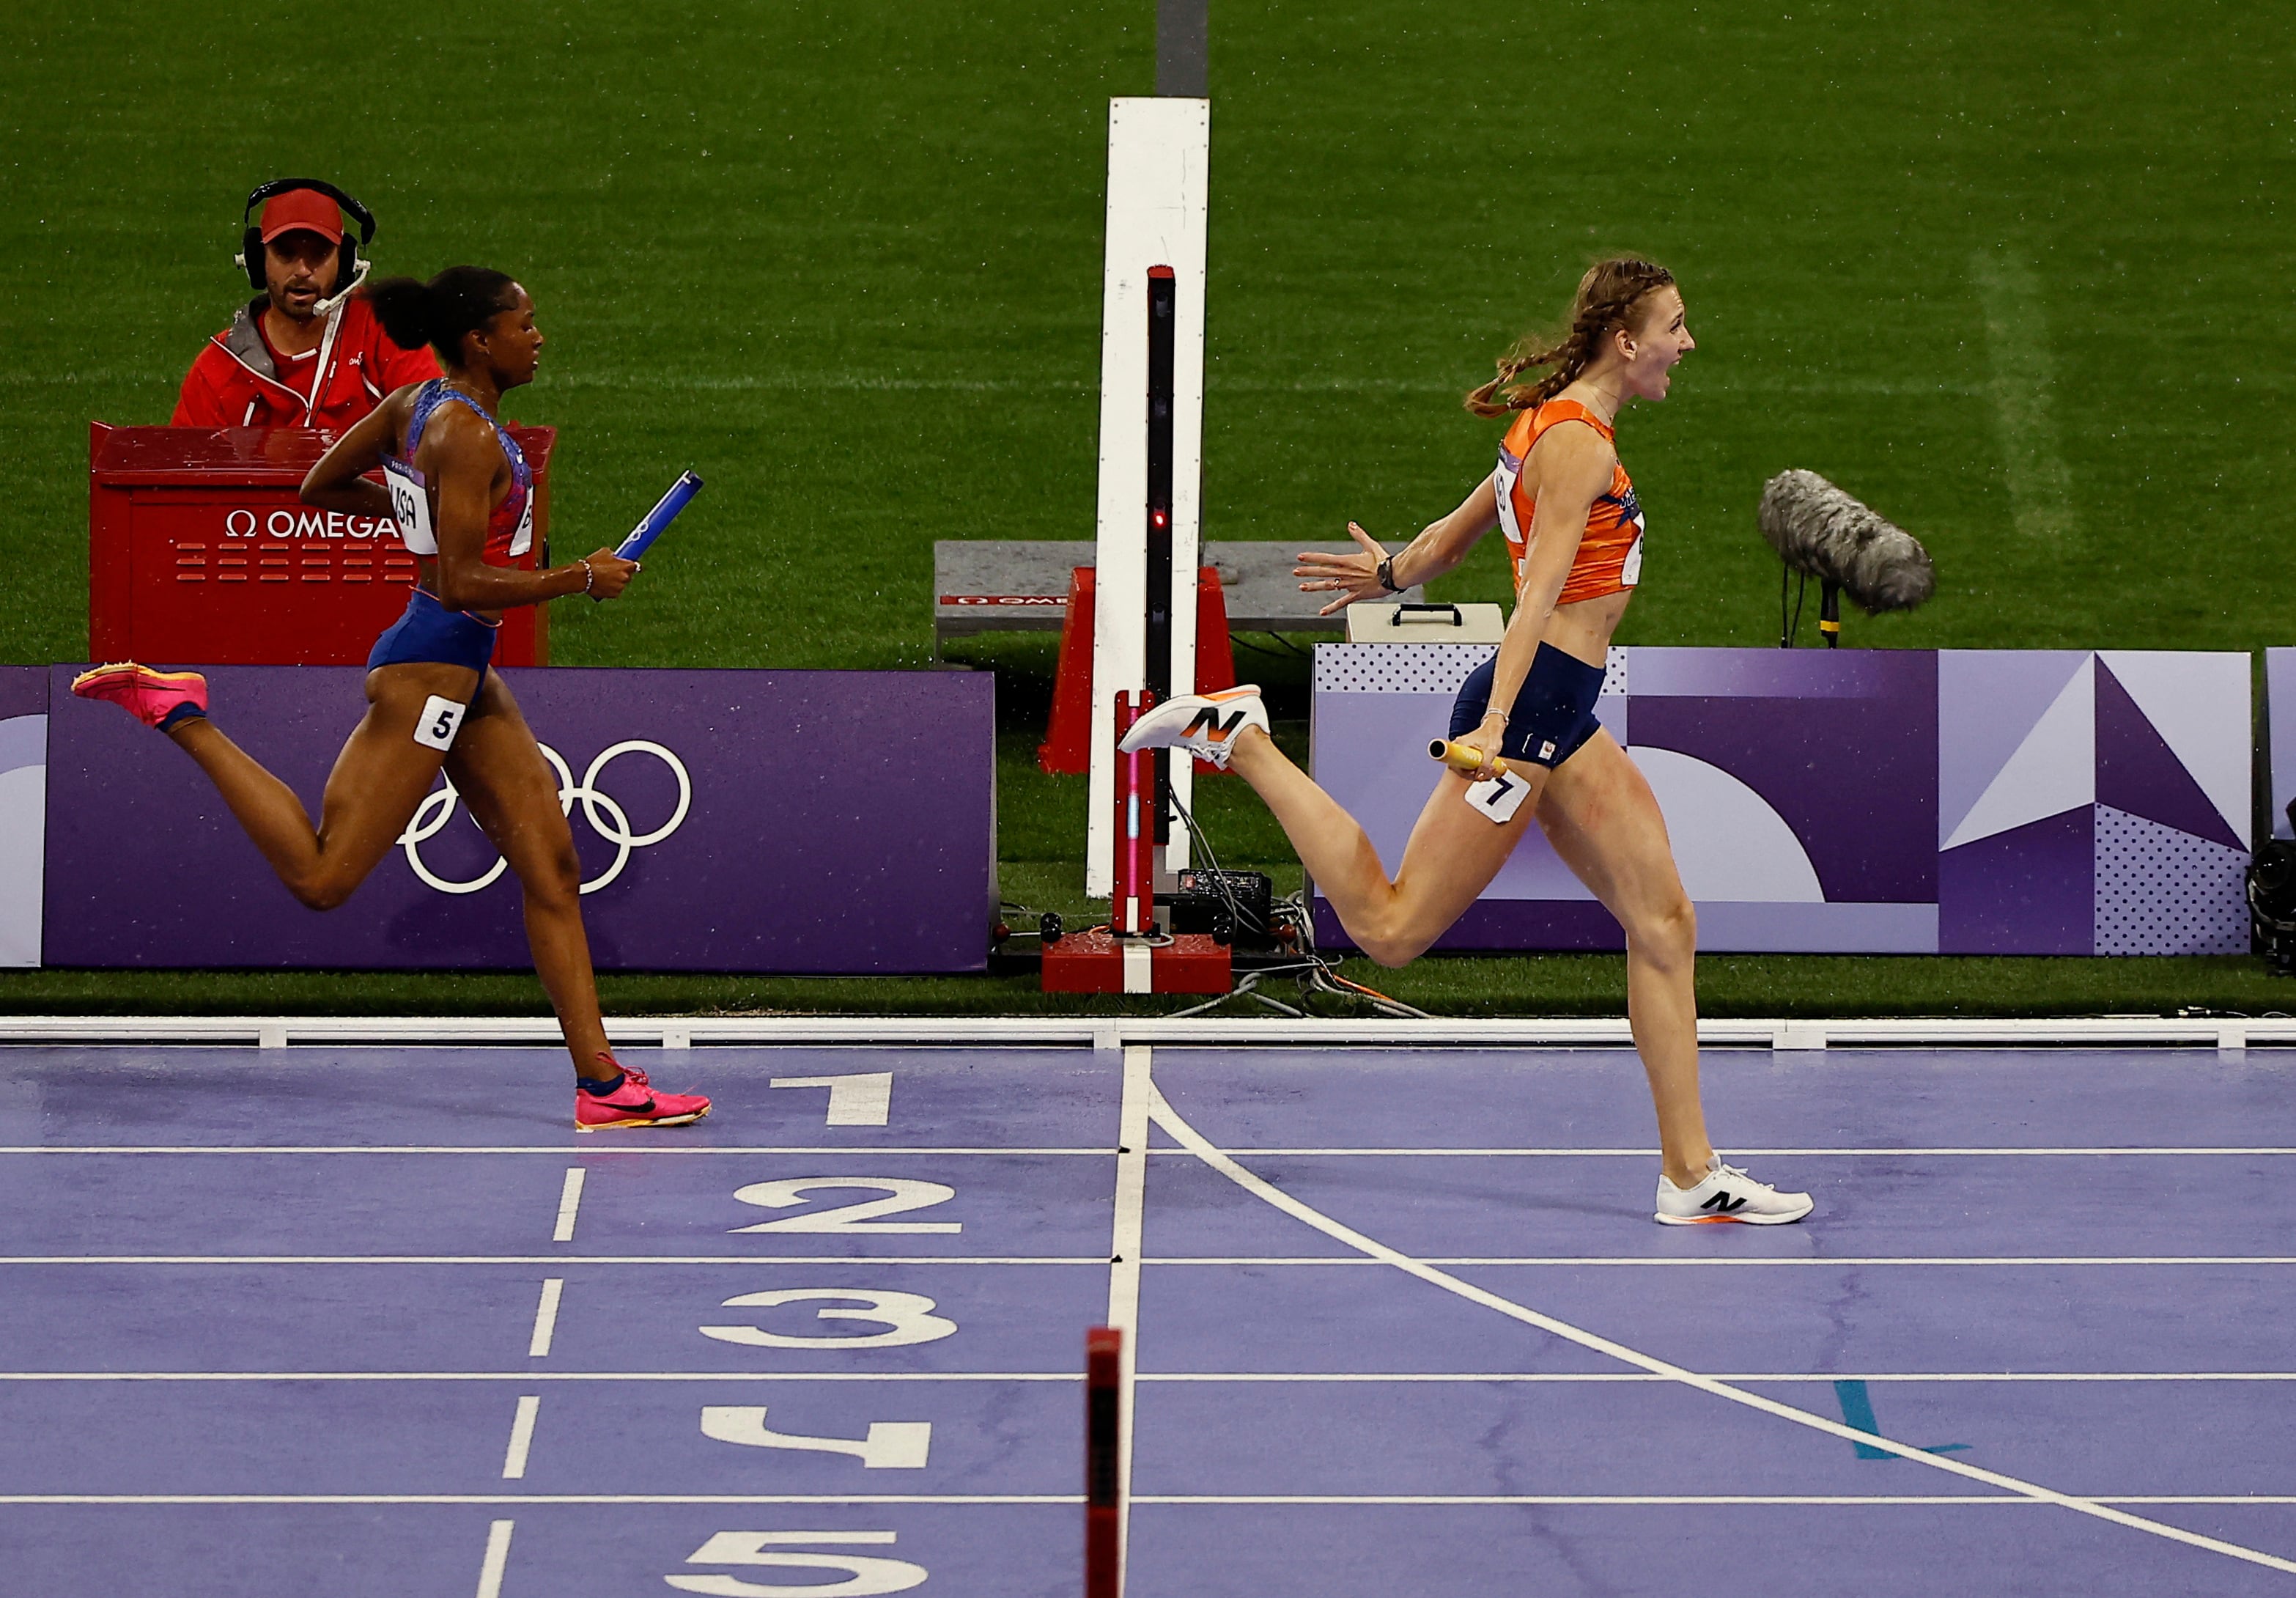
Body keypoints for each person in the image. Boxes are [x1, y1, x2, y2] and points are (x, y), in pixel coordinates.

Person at [1122, 257, 1809, 1226]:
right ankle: (1243, 742)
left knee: (1664, 923)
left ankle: (1689, 1175)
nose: (1685, 344)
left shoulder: (1553, 426)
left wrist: (1392, 569)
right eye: (1674, 326)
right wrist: (1493, 727)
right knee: (1393, 931)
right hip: (1531, 713)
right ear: (1626, 340)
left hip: (1560, 714)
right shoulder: (1575, 446)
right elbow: (1534, 596)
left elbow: (1455, 537)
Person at [78, 266, 707, 1133]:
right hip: (427, 671)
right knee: (324, 877)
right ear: (481, 341)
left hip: (464, 674)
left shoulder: (415, 404)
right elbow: (459, 581)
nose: (539, 337)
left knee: (553, 865)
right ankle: (182, 712)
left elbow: (322, 485)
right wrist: (577, 578)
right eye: (526, 324)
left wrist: (406, 507)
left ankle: (601, 1085)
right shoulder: (462, 433)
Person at [171, 180, 440, 430]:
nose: (302, 270)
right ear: (257, 260)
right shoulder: (218, 370)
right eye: (286, 254)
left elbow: (437, 428)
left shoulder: (384, 331)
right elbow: (184, 471)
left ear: (345, 262)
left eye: (319, 254)